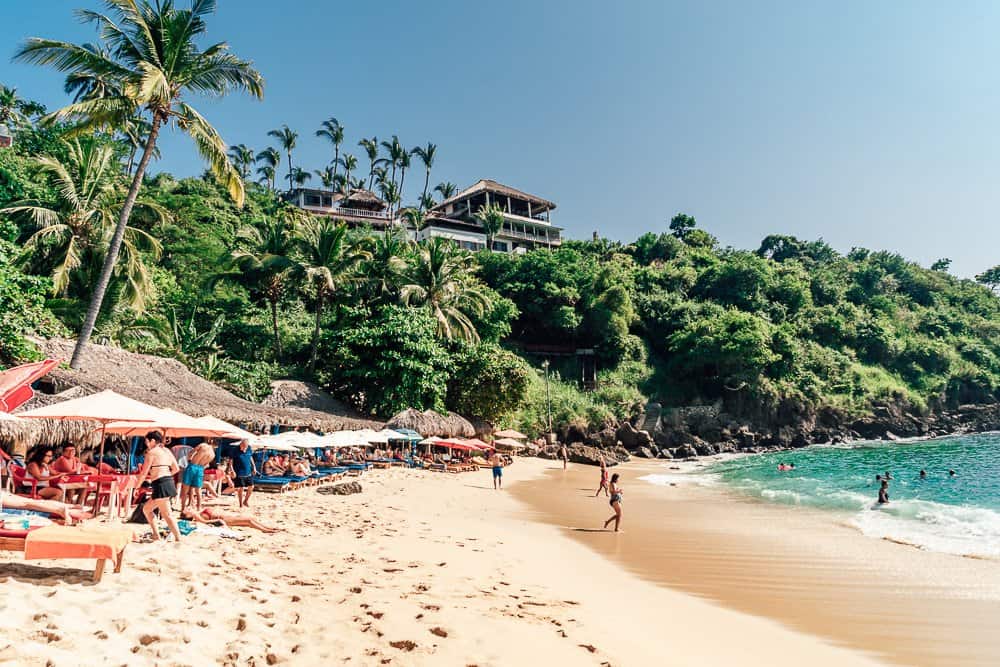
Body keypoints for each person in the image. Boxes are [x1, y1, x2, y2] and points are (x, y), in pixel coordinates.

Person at [137, 431, 181, 542]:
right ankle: (156, 535)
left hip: (161, 484)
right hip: (168, 482)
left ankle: (178, 538)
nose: (146, 444)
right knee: (147, 509)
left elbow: (144, 473)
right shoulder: (166, 451)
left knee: (167, 514)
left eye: (147, 441)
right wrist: (165, 477)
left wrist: (136, 487)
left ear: (152, 441)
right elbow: (176, 469)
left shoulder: (151, 453)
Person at [179, 506, 281, 533]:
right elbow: (205, 522)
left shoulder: (198, 512)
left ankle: (268, 528)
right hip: (224, 519)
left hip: (227, 516)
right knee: (249, 521)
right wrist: (218, 521)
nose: (188, 508)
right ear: (188, 515)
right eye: (187, 510)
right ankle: (265, 530)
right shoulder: (197, 517)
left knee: (249, 519)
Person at [181, 442, 213, 513]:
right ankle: (198, 507)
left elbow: (190, 453)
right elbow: (206, 465)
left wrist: (189, 459)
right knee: (198, 490)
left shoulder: (203, 445)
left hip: (192, 466)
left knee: (185, 490)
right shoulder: (212, 455)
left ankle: (183, 508)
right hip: (200, 469)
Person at [228, 439, 257, 508]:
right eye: (243, 447)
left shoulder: (249, 448)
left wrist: (254, 467)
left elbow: (250, 457)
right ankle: (241, 504)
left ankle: (245, 501)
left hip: (248, 471)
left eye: (245, 447)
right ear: (240, 444)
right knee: (241, 488)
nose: (244, 449)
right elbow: (230, 462)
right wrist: (232, 471)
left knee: (251, 486)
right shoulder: (235, 450)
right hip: (239, 472)